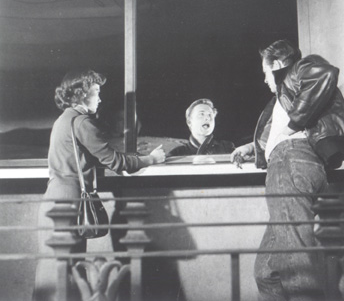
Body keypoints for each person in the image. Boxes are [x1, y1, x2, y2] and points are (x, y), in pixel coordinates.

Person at [231, 39, 344, 301]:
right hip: (295, 165)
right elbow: (276, 134)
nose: (265, 80)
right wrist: (251, 147)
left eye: (265, 72)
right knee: (266, 273)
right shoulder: (284, 98)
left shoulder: (300, 69)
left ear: (276, 65)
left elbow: (325, 74)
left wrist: (290, 127)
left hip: (290, 165)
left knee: (297, 271)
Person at [33, 70, 166, 301]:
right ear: (82, 95)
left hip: (54, 201)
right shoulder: (82, 122)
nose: (100, 99)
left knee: (55, 276)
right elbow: (116, 161)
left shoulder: (64, 119)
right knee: (66, 277)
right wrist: (151, 159)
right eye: (96, 93)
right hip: (70, 204)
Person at [168, 98, 235, 156]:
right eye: (201, 114)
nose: (207, 118)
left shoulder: (227, 148)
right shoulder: (178, 153)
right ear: (189, 122)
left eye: (210, 115)